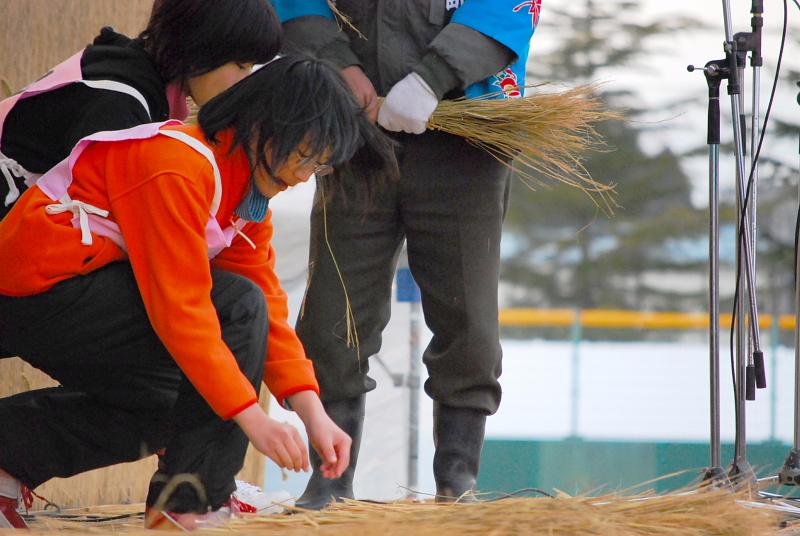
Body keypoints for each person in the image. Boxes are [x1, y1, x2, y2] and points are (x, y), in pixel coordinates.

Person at [0, 56, 397, 530]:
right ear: (264, 123)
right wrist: (252, 418)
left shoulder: (247, 195)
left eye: (320, 164)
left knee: (190, 402)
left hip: (80, 297)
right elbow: (182, 308)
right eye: (305, 154)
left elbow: (268, 306)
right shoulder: (176, 165)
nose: (303, 175)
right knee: (231, 321)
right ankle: (192, 503)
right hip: (36, 292)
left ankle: (7, 455)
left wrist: (313, 413)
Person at [270, 0, 540, 507]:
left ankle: (457, 480)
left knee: (469, 318)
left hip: (467, 131)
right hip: (354, 132)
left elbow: (508, 7)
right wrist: (338, 64)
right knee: (333, 313)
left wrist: (432, 79)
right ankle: (330, 480)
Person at [0, 0, 281, 219]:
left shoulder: (127, 67)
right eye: (241, 65)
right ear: (201, 45)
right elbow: (102, 217)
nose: (246, 82)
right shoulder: (120, 106)